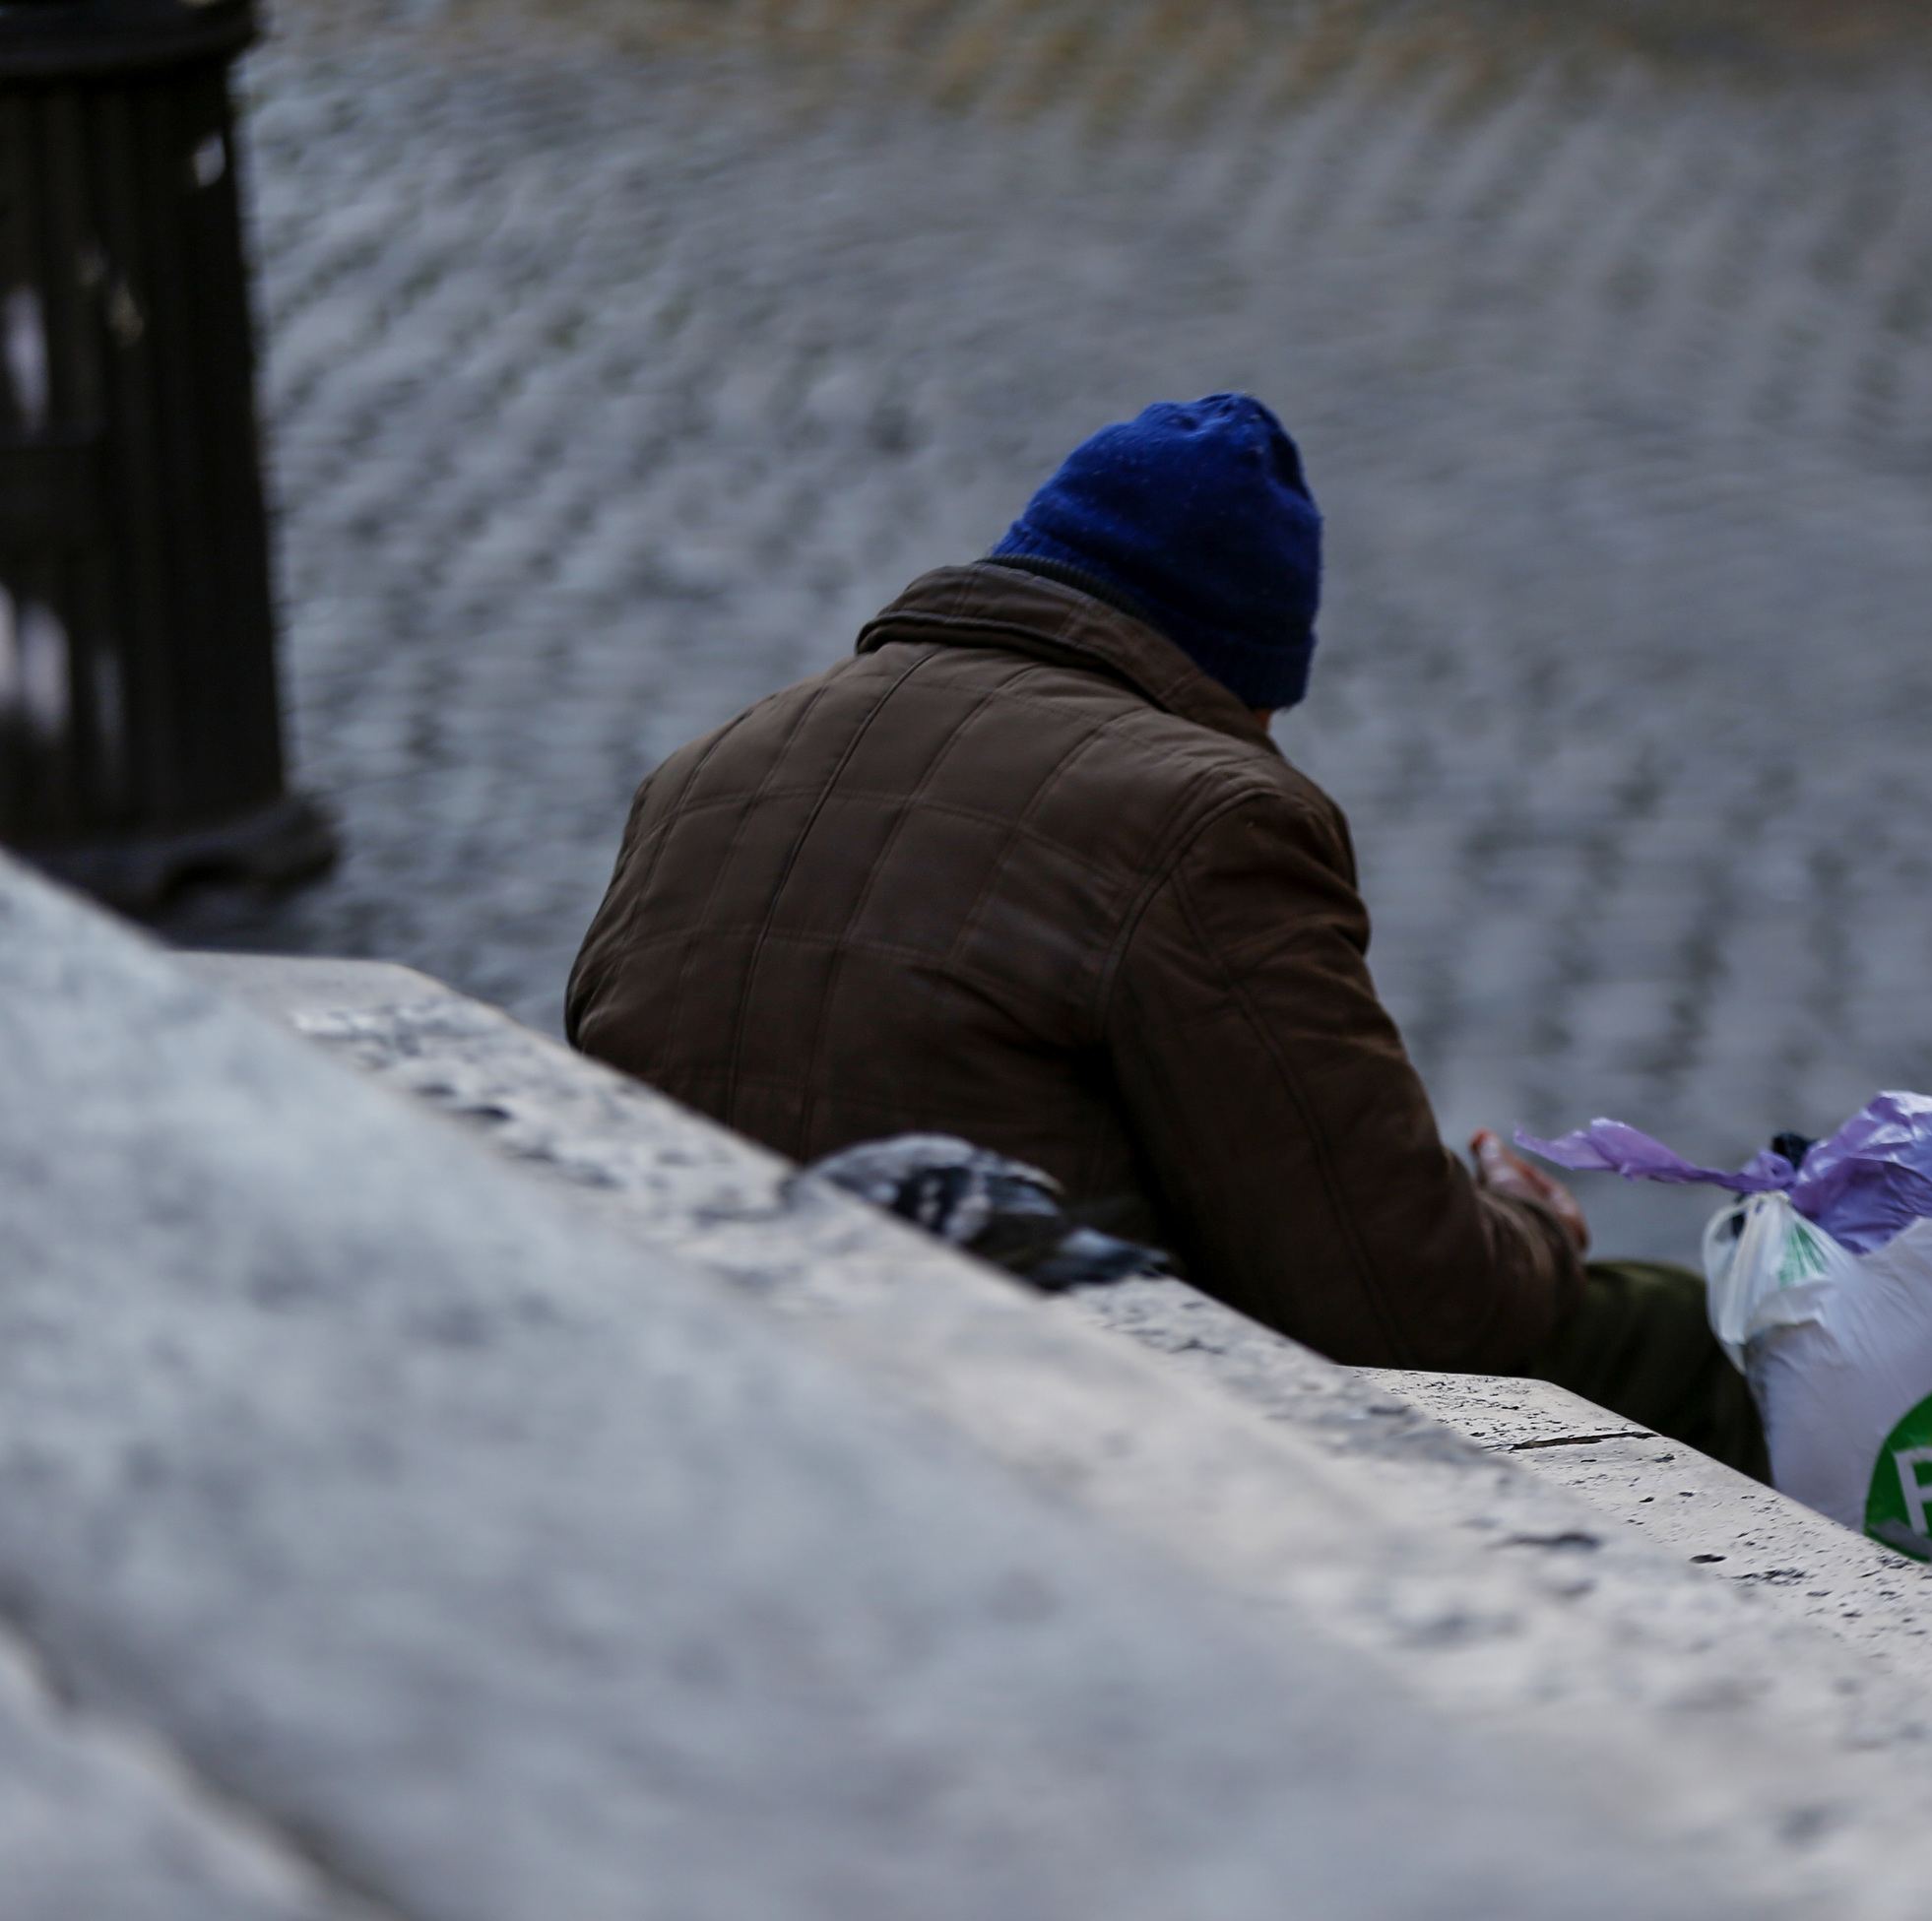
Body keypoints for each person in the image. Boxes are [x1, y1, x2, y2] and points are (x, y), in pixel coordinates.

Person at [567, 394, 1765, 1477]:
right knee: (1687, 1336)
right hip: (1010, 1407)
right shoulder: (1209, 813)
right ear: (1253, 680)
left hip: (675, 1342)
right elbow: (1397, 1305)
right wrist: (1535, 1230)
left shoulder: (716, 763)